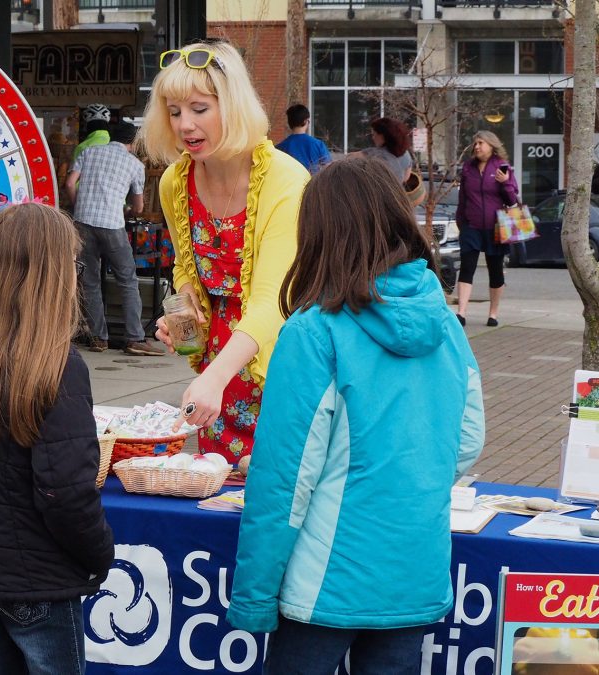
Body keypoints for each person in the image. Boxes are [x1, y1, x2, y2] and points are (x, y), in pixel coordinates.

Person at [225, 156, 484, 674]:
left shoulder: (312, 332)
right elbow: (467, 441)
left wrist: (253, 596)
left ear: (318, 233)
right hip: (413, 569)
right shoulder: (446, 324)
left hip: (327, 580)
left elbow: (283, 479)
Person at [0, 203, 114, 675]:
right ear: (55, 273)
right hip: (41, 581)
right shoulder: (58, 364)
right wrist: (99, 553)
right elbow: (67, 493)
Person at [144, 41, 308, 462]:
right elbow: (185, 263)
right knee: (220, 500)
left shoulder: (285, 180)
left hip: (282, 364)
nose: (184, 125)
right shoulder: (173, 183)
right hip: (217, 371)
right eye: (174, 111)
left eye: (199, 109)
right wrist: (184, 311)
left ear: (233, 106)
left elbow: (275, 298)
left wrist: (215, 377)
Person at [65, 121, 163, 356]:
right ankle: (135, 338)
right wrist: (128, 210)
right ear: (133, 142)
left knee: (89, 282)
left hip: (83, 224)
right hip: (112, 226)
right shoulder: (135, 164)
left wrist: (80, 206)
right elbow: (138, 207)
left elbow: (69, 183)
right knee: (127, 280)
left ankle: (99, 338)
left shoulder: (89, 152)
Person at [455, 130, 519, 328]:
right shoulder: (468, 168)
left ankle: (493, 313)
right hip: (471, 227)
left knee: (495, 271)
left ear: (492, 145)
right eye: (475, 143)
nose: (477, 147)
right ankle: (461, 312)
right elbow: (463, 199)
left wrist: (505, 183)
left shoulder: (502, 167)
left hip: (495, 227)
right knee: (467, 267)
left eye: (481, 143)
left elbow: (512, 200)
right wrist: (461, 223)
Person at [275, 103, 331, 174]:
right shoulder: (318, 145)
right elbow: (329, 171)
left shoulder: (279, 148)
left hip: (290, 184)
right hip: (313, 184)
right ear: (305, 121)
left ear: (289, 123)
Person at [357, 116, 413, 182]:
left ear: (383, 136)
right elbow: (406, 178)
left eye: (374, 134)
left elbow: (349, 158)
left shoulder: (376, 154)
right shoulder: (406, 154)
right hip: (396, 190)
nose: (373, 138)